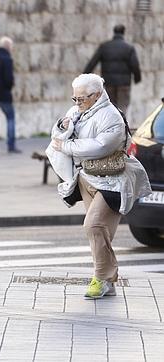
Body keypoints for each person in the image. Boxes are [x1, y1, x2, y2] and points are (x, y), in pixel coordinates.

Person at [47, 73, 151, 299]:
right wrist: (61, 128)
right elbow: (58, 137)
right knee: (101, 233)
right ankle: (107, 282)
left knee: (93, 226)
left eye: (81, 99)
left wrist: (67, 145)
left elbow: (99, 146)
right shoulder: (77, 112)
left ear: (96, 95)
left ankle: (102, 277)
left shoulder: (111, 115)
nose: (76, 103)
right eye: (74, 98)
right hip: (87, 177)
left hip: (112, 180)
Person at [83, 24, 141, 114]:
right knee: (122, 107)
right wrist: (137, 78)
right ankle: (121, 125)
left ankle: (111, 125)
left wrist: (85, 75)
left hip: (109, 82)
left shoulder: (105, 47)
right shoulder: (129, 48)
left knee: (110, 106)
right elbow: (135, 65)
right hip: (124, 84)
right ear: (123, 32)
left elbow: (93, 62)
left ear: (114, 32)